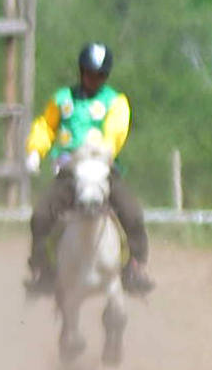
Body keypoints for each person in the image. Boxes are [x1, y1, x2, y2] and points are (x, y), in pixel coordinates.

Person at [26, 41, 155, 298]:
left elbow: (117, 130)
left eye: (99, 75)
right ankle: (42, 269)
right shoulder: (62, 99)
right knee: (41, 215)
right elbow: (45, 125)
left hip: (101, 167)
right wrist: (35, 150)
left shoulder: (115, 101)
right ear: (80, 70)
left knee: (132, 212)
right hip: (69, 170)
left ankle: (135, 267)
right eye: (88, 72)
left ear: (106, 76)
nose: (93, 79)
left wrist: (101, 152)